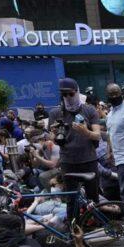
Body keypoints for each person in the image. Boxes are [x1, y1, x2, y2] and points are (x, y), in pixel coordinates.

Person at [49, 78, 103, 222]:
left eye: (70, 94)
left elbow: (97, 135)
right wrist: (54, 133)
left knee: (93, 197)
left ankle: (95, 223)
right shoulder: (55, 113)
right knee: (71, 199)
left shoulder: (89, 110)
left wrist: (86, 132)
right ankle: (74, 228)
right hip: (68, 161)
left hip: (88, 159)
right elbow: (54, 139)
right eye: (64, 95)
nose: (68, 98)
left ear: (77, 92)